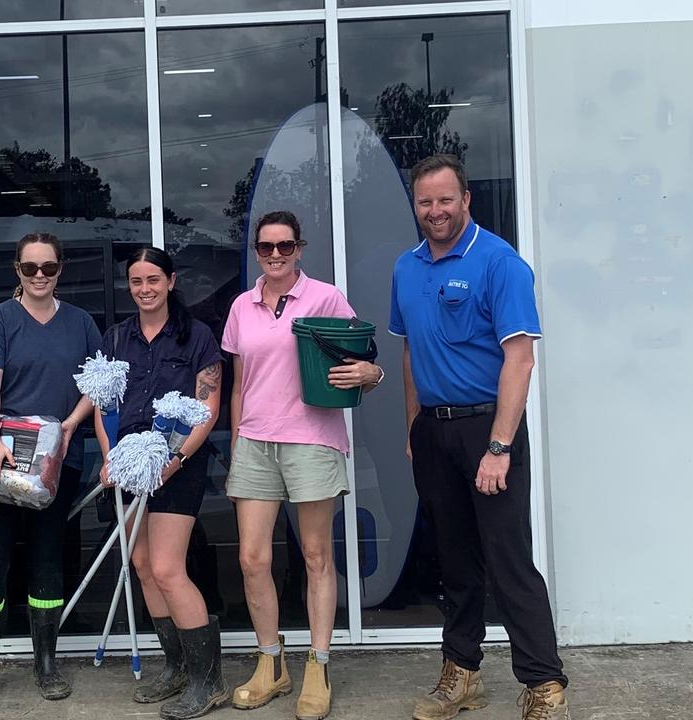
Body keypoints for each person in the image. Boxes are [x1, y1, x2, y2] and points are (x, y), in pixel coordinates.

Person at [392, 155, 569, 720]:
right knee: (455, 560)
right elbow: (410, 352)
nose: (435, 211)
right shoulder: (406, 268)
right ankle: (461, 672)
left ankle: (545, 685)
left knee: (508, 558)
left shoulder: (500, 263)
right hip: (435, 433)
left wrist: (499, 447)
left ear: (466, 200)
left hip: (488, 430)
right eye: (425, 202)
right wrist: (412, 427)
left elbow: (520, 359)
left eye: (446, 200)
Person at [223, 210, 383, 720]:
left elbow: (362, 354)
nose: (275, 255)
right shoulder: (241, 306)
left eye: (285, 246)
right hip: (254, 441)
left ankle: (318, 664)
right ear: (255, 249)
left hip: (312, 438)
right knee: (252, 559)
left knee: (315, 556)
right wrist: (235, 442)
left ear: (300, 247)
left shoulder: (326, 297)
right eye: (266, 247)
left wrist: (370, 373)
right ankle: (272, 663)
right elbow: (239, 380)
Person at [0, 232, 102, 708]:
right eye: (29, 268)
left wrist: (69, 427)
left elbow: (97, 383)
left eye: (48, 268)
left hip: (57, 461)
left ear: (61, 269)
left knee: (48, 560)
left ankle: (47, 663)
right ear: (16, 271)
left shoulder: (81, 323)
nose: (39, 276)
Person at [95, 247, 226, 720]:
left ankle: (207, 681)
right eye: (136, 282)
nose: (145, 289)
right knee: (143, 565)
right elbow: (102, 404)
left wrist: (173, 460)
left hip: (178, 467)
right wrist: (111, 458)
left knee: (169, 568)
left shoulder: (198, 338)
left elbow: (207, 409)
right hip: (128, 467)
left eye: (153, 280)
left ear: (170, 282)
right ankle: (175, 667)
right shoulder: (116, 338)